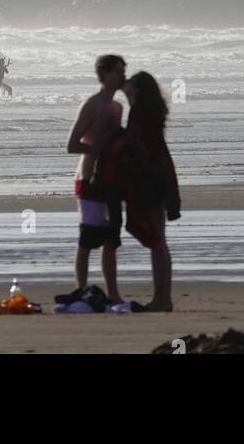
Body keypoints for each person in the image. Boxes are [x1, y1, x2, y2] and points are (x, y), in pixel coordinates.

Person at [104, 70, 180, 312]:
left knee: (157, 242)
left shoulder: (140, 113)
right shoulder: (150, 111)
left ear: (135, 89)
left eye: (128, 83)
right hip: (159, 175)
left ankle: (163, 299)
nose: (124, 84)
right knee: (159, 241)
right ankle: (162, 298)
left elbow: (137, 147)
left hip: (150, 179)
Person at [62, 54, 126, 306]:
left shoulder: (118, 107)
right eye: (118, 71)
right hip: (89, 179)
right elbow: (71, 145)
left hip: (111, 179)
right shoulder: (92, 105)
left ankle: (113, 294)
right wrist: (97, 150)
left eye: (124, 70)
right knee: (88, 238)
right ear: (105, 74)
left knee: (111, 238)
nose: (122, 75)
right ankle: (80, 289)